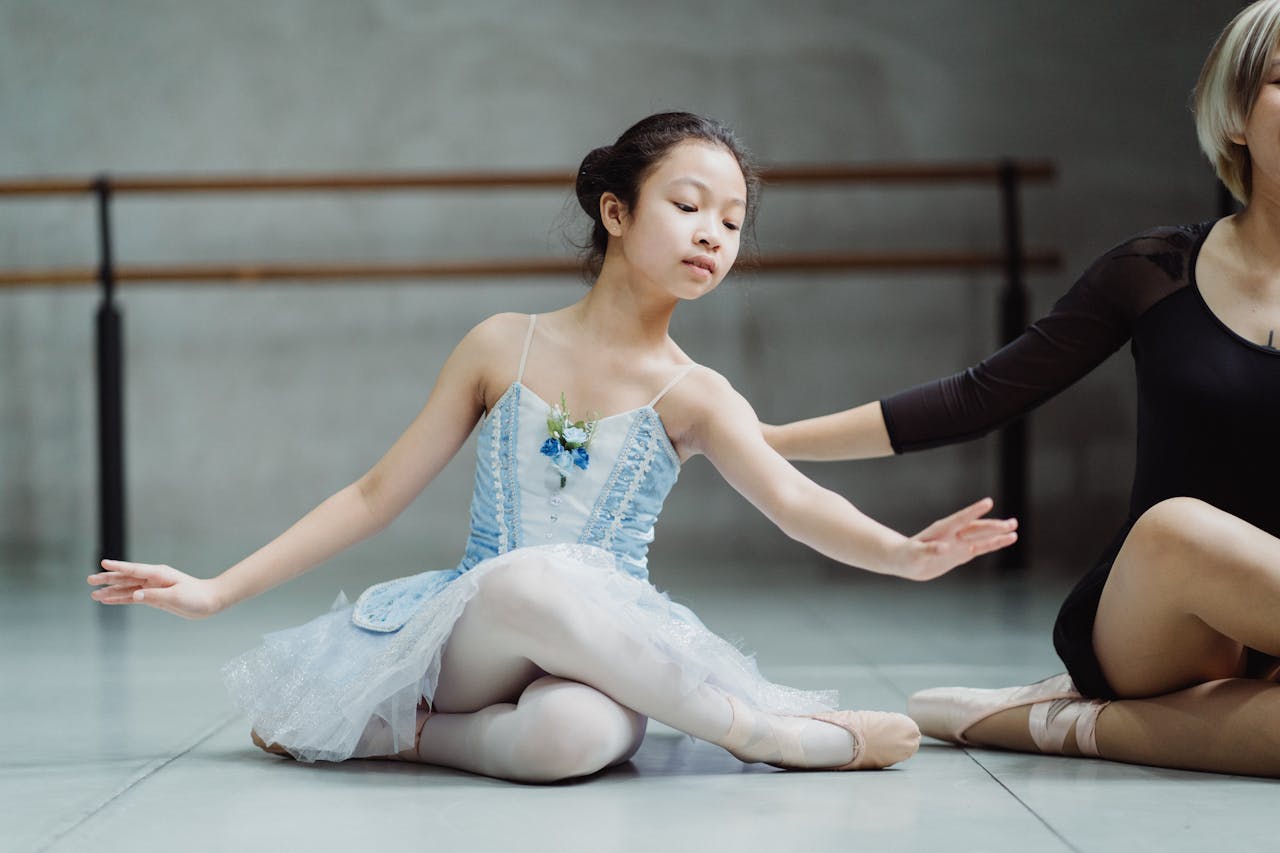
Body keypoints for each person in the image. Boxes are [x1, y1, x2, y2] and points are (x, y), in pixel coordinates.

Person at [87, 112, 1016, 783]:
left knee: (567, 742)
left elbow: (798, 499)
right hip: (477, 631)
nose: (713, 234)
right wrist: (216, 589)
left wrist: (902, 553)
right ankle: (761, 733)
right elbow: (373, 495)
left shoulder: (697, 393)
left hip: (607, 639)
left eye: (733, 222)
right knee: (529, 578)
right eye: (688, 205)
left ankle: (397, 734)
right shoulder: (502, 344)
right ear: (615, 212)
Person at [765, 0, 1280, 778]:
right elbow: (979, 395)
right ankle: (1097, 703)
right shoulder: (1155, 271)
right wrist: (762, 440)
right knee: (1179, 528)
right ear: (1237, 113)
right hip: (1158, 610)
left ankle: (1056, 724)